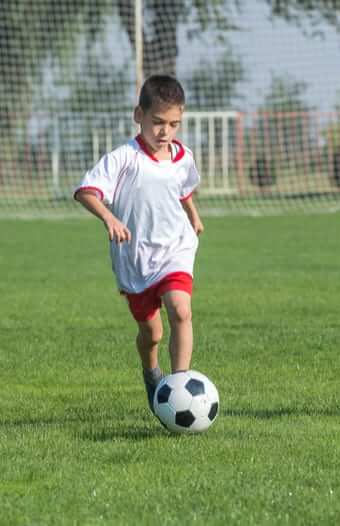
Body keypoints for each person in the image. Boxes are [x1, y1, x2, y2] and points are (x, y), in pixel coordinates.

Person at [74, 74, 204, 413]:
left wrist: (193, 214)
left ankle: (179, 388)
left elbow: (183, 188)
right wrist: (109, 217)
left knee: (181, 310)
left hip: (175, 248)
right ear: (139, 115)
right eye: (158, 122)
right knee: (152, 335)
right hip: (136, 260)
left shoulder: (183, 156)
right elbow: (86, 191)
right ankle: (151, 372)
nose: (165, 132)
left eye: (174, 124)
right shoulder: (124, 158)